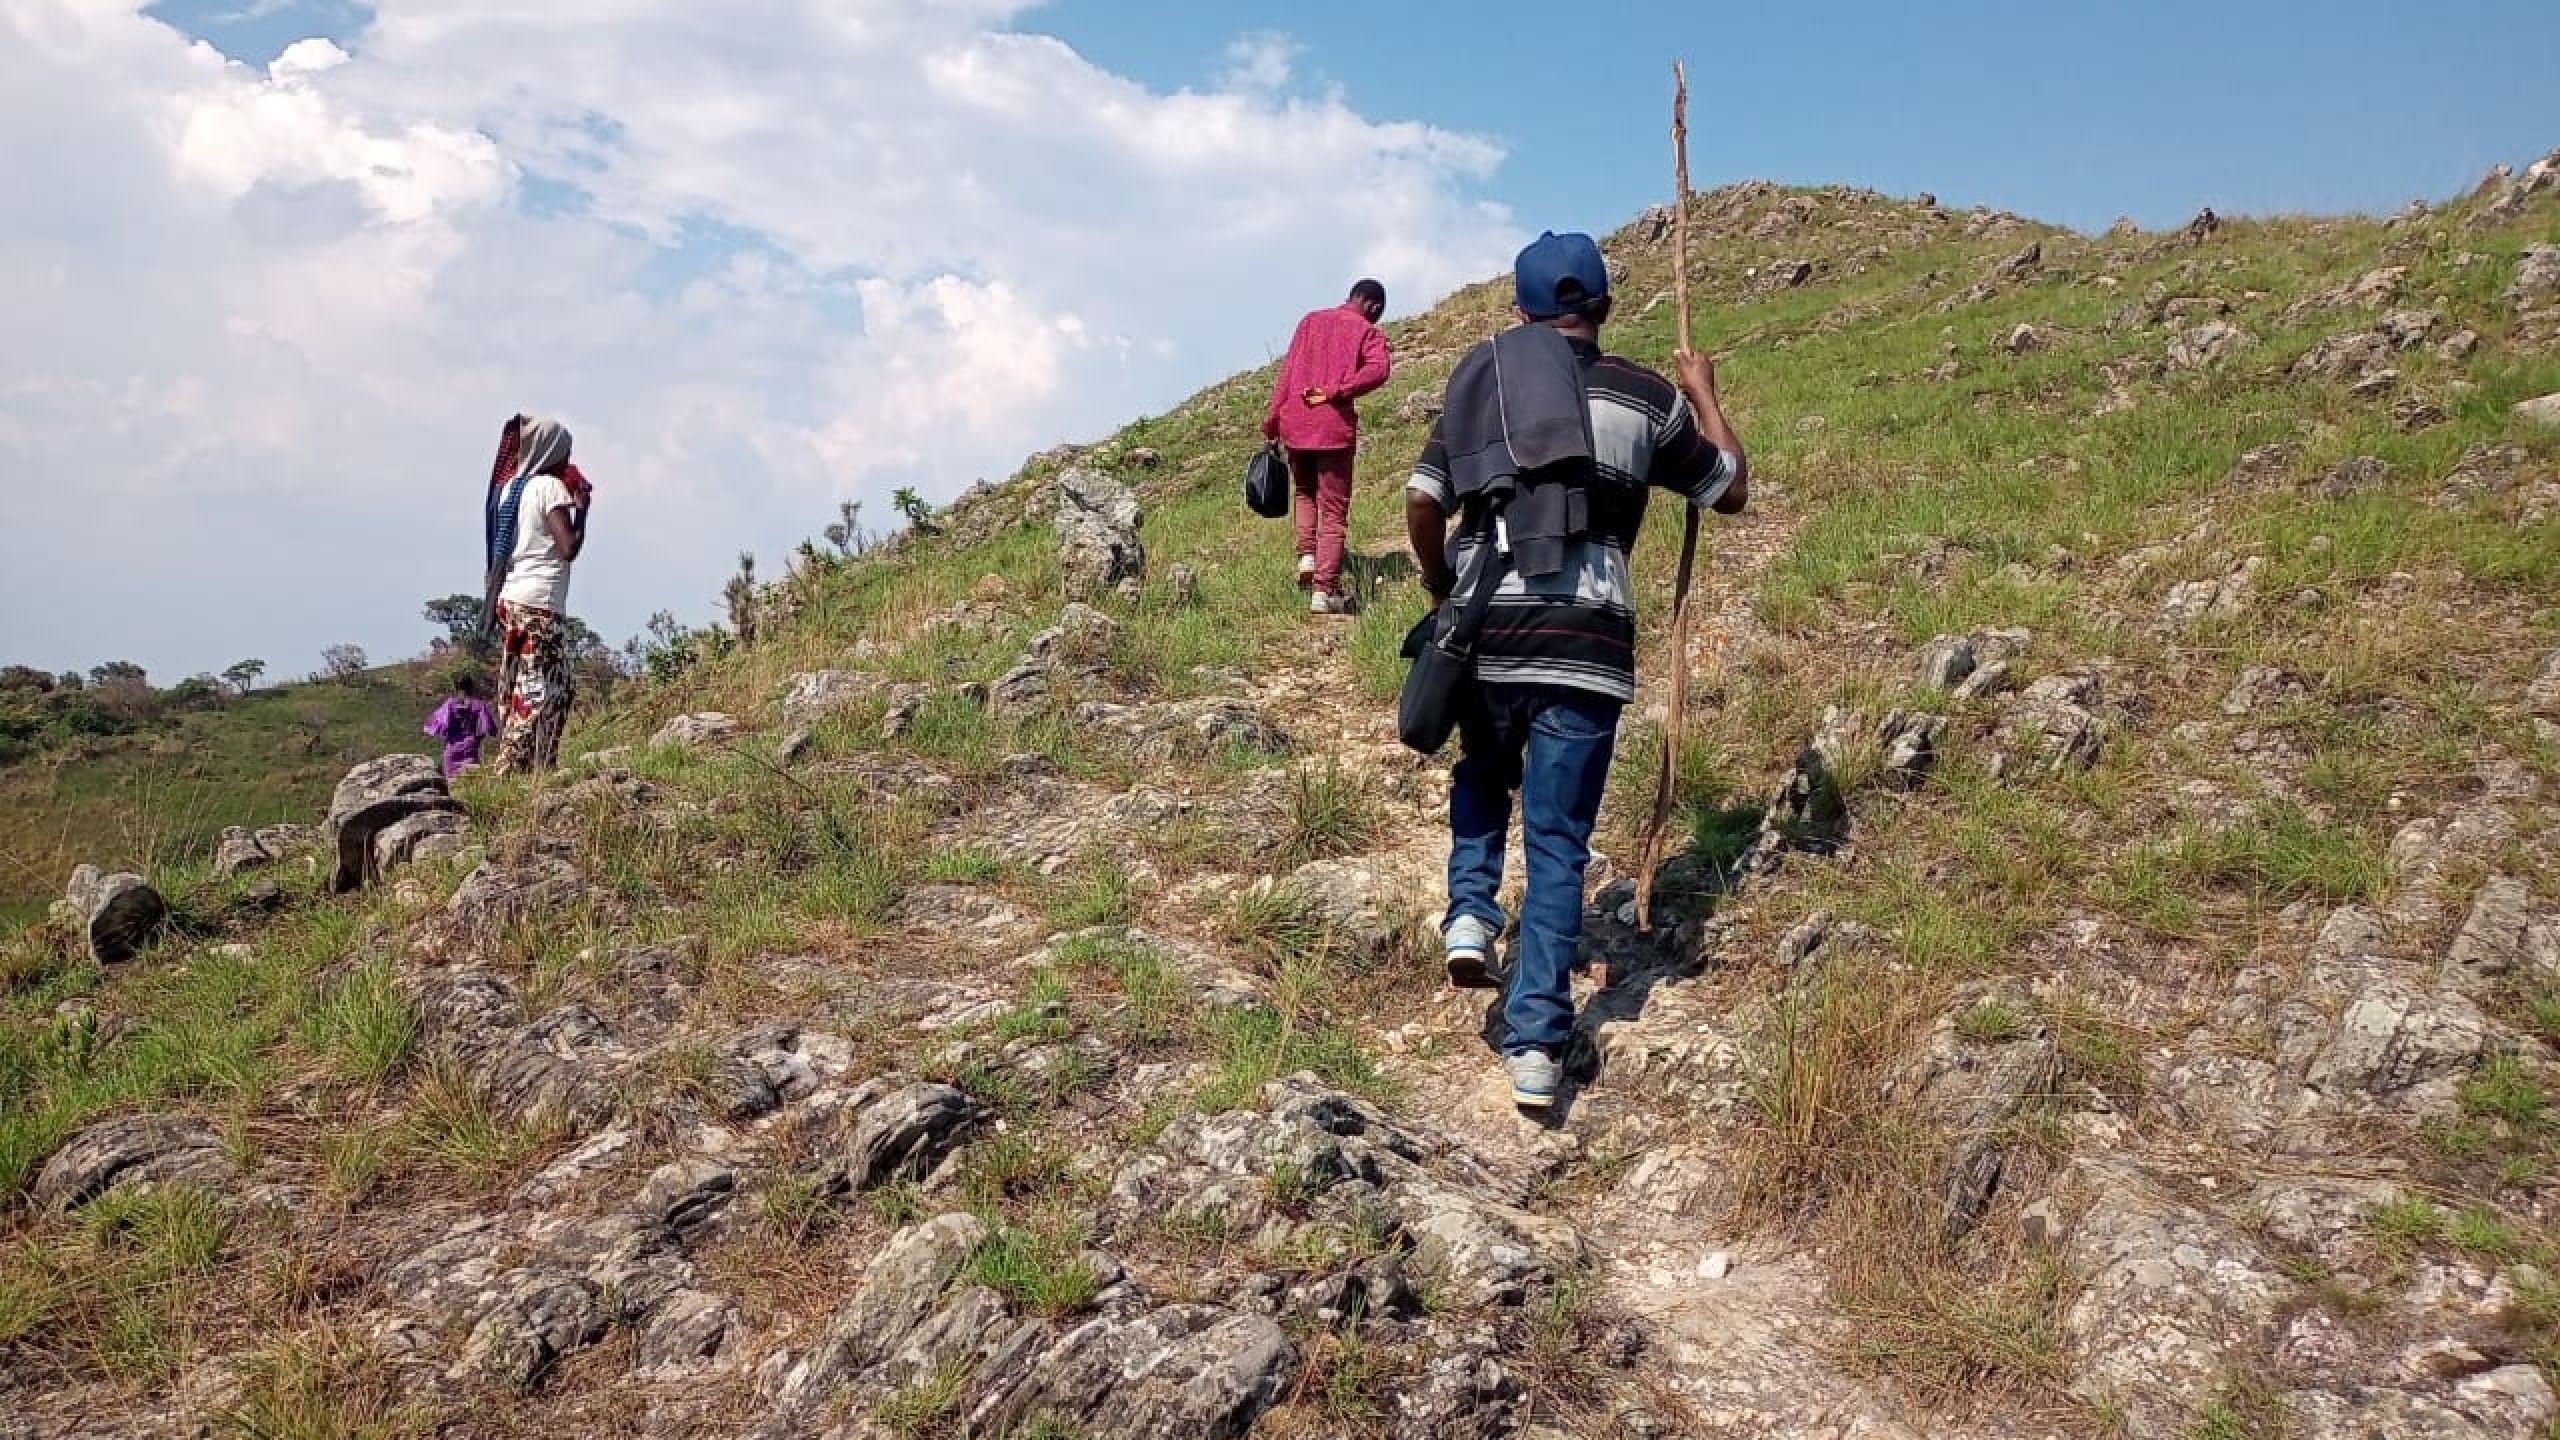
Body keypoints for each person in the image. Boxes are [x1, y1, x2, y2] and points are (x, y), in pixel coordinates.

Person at [1404, 232, 1748, 1110]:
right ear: (1601, 307)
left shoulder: (1482, 386)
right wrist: (1704, 394)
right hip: (1588, 646)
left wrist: (1446, 584)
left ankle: (1472, 913)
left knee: (1481, 771)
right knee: (1559, 845)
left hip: (1490, 629)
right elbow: (1728, 487)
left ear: (1518, 311)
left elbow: (1419, 499)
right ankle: (1537, 1049)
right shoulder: (1645, 396)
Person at [1265, 279, 1393, 615]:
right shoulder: (1367, 331)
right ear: (1373, 306)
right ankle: (1325, 591)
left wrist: (1272, 421)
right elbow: (1380, 370)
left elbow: (1287, 372)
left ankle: (1308, 556)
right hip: (1332, 428)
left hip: (1295, 421)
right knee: (1334, 512)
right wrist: (1338, 390)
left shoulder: (1310, 320)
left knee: (1305, 492)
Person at [484, 415, 590, 774]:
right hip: (539, 603)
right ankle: (510, 769)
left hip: (512, 597)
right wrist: (583, 512)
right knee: (538, 691)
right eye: (565, 452)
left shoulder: (514, 488)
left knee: (550, 684)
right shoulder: (549, 488)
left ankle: (540, 765)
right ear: (550, 451)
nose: (567, 459)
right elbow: (568, 547)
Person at [422, 674, 498, 778]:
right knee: (470, 784)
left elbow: (433, 726)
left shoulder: (449, 705)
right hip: (470, 750)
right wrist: (477, 739)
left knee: (452, 786)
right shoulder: (479, 705)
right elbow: (489, 728)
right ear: (471, 687)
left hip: (451, 751)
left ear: (456, 687)